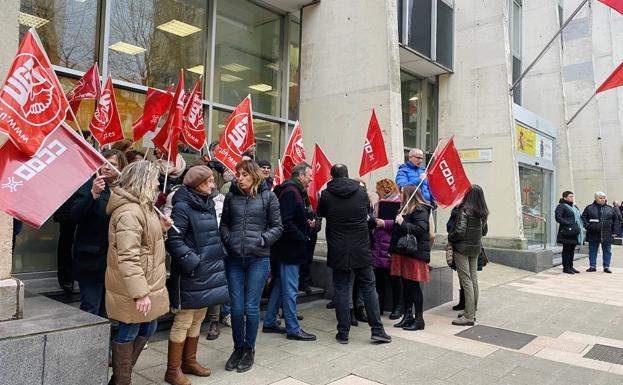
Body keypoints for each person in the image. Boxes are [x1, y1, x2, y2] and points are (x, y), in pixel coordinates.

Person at [106, 161, 173, 385]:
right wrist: (139, 293)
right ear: (143, 181)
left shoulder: (143, 208)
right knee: (130, 329)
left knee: (149, 325)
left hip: (147, 282)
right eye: (154, 179)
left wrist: (161, 230)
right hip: (135, 285)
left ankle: (120, 377)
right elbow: (127, 256)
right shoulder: (129, 213)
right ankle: (120, 381)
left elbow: (146, 245)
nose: (157, 184)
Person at [164, 166, 229, 385]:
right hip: (191, 273)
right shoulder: (182, 206)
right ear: (198, 183)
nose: (213, 185)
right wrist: (193, 263)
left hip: (208, 271)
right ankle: (173, 370)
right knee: (183, 320)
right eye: (209, 181)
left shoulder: (207, 203)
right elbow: (174, 240)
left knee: (198, 318)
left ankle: (189, 362)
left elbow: (212, 235)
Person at [317, 164, 391, 345]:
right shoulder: (361, 193)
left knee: (342, 289)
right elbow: (369, 217)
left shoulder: (325, 195)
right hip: (361, 247)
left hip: (338, 249)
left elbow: (321, 216)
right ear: (347, 175)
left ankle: (343, 333)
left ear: (332, 176)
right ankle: (378, 331)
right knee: (368, 288)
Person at [220, 159, 283, 373]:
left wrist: (262, 239)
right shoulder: (231, 197)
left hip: (258, 259)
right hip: (235, 260)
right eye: (238, 174)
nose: (239, 178)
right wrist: (229, 240)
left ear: (254, 176)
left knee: (251, 306)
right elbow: (224, 225)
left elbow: (277, 227)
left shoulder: (269, 196)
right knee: (236, 308)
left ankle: (249, 348)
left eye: (244, 174)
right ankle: (238, 348)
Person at [263, 163, 316, 341]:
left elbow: (291, 218)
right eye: (309, 175)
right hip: (289, 250)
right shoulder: (292, 192)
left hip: (285, 249)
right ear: (300, 175)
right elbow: (285, 221)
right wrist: (302, 236)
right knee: (290, 290)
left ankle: (270, 321)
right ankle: (293, 329)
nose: (310, 179)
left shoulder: (290, 190)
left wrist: (304, 224)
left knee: (279, 285)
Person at [71, 149, 127, 316]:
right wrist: (93, 194)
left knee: (106, 309)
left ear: (122, 168)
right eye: (104, 162)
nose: (107, 167)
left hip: (114, 261)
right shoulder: (89, 184)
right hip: (91, 260)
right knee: (90, 307)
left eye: (113, 164)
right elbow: (74, 216)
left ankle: (102, 341)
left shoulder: (125, 190)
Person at [389, 186, 432, 330]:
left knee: (413, 286)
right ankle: (407, 316)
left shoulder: (420, 209)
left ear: (408, 194)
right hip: (403, 252)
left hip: (414, 253)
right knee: (406, 286)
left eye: (401, 193)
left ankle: (419, 319)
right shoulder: (403, 209)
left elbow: (420, 230)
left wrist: (403, 223)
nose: (399, 195)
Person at [448, 185, 488, 326]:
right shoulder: (483, 212)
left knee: (466, 280)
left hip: (462, 248)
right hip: (475, 248)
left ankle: (469, 315)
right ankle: (471, 310)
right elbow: (484, 232)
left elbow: (459, 230)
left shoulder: (464, 209)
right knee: (473, 278)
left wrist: (450, 238)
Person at [371, 179, 403, 319]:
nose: (377, 192)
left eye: (379, 189)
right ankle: (379, 306)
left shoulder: (399, 203)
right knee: (379, 279)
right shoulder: (377, 203)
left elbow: (402, 223)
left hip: (390, 245)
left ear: (386, 189)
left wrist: (384, 223)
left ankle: (398, 307)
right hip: (378, 244)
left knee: (395, 279)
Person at [582, 192, 619, 273]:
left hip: (607, 234)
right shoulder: (589, 208)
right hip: (593, 233)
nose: (603, 199)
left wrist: (615, 232)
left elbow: (616, 221)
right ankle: (592, 266)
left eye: (604, 198)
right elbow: (584, 218)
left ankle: (606, 267)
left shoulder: (610, 208)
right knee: (592, 250)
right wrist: (588, 226)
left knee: (607, 251)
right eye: (601, 198)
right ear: (596, 198)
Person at [555, 191, 585, 275]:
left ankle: (571, 266)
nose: (572, 198)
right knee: (566, 250)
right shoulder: (561, 206)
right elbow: (558, 218)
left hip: (574, 231)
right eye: (570, 196)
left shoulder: (574, 207)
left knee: (572, 249)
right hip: (567, 231)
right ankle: (566, 267)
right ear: (565, 197)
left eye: (572, 196)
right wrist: (569, 224)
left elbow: (579, 218)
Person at [53, 197, 77, 294]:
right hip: (68, 208)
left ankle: (68, 278)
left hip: (86, 204)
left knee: (68, 245)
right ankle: (66, 278)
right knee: (66, 245)